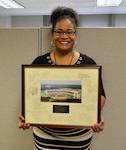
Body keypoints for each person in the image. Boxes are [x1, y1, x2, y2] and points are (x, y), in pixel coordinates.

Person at [19, 6, 106, 150]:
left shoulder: (88, 63)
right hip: (45, 135)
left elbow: (101, 95)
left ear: (75, 34)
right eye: (59, 32)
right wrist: (26, 114)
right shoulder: (39, 63)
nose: (64, 36)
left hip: (79, 136)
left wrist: (94, 115)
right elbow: (31, 95)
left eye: (69, 32)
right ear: (52, 34)